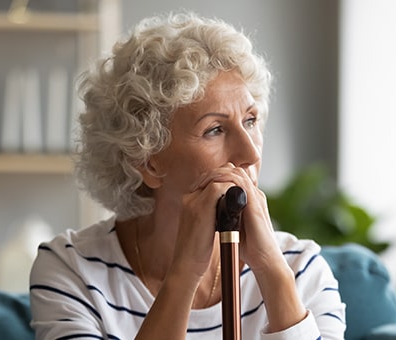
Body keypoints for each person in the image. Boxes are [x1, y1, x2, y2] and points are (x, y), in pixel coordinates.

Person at [29, 12, 346, 340]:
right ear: (148, 161)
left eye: (250, 121)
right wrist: (184, 274)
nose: (250, 153)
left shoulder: (301, 269)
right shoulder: (71, 270)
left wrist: (270, 269)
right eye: (215, 129)